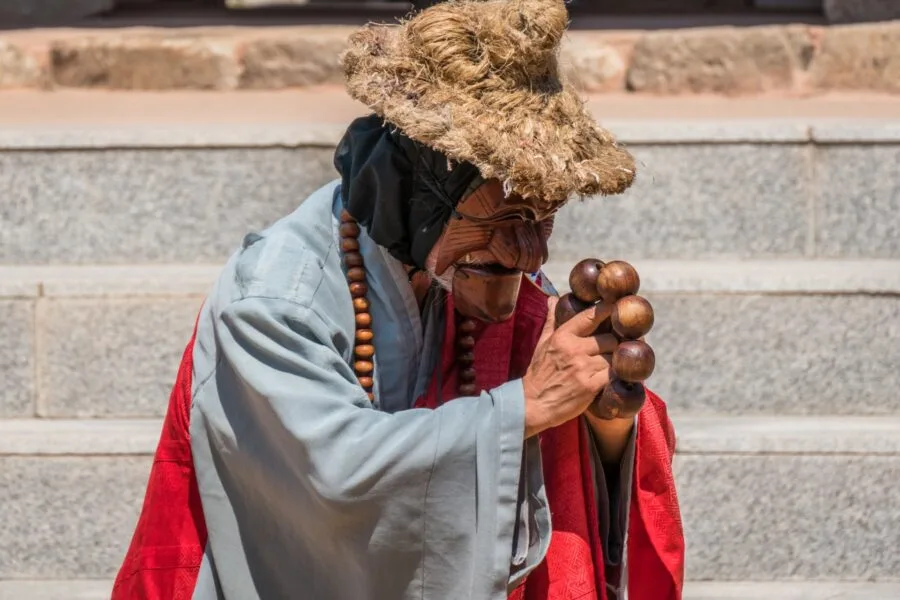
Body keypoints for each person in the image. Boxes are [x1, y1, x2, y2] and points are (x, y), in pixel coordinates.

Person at [111, 0, 684, 598]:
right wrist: (527, 408)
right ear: (412, 193)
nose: (530, 256)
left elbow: (570, 456)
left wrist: (601, 416)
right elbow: (335, 479)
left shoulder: (465, 271)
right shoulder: (276, 299)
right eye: (507, 217)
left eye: (543, 221)